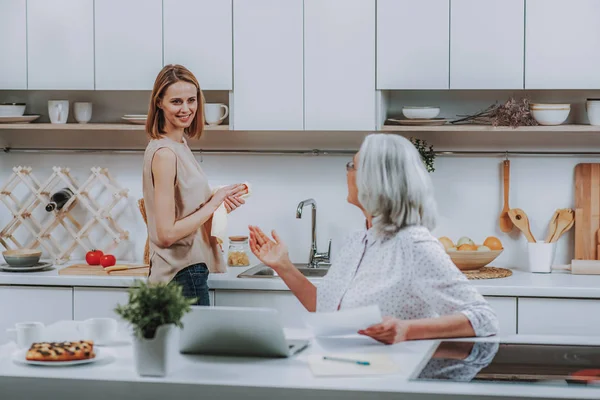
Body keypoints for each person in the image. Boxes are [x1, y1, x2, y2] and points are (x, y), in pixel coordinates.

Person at [249, 133, 499, 344]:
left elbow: (483, 317)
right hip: (348, 373)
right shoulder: (357, 242)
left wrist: (407, 330)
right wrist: (283, 266)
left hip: (393, 379)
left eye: (352, 165)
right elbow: (324, 309)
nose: (346, 172)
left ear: (375, 180)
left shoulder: (413, 244)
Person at [142, 64, 247, 305]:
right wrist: (214, 203)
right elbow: (167, 234)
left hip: (187, 271)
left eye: (192, 100)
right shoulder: (166, 153)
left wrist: (218, 206)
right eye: (176, 101)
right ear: (159, 102)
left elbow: (185, 212)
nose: (186, 108)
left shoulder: (179, 145)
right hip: (181, 275)